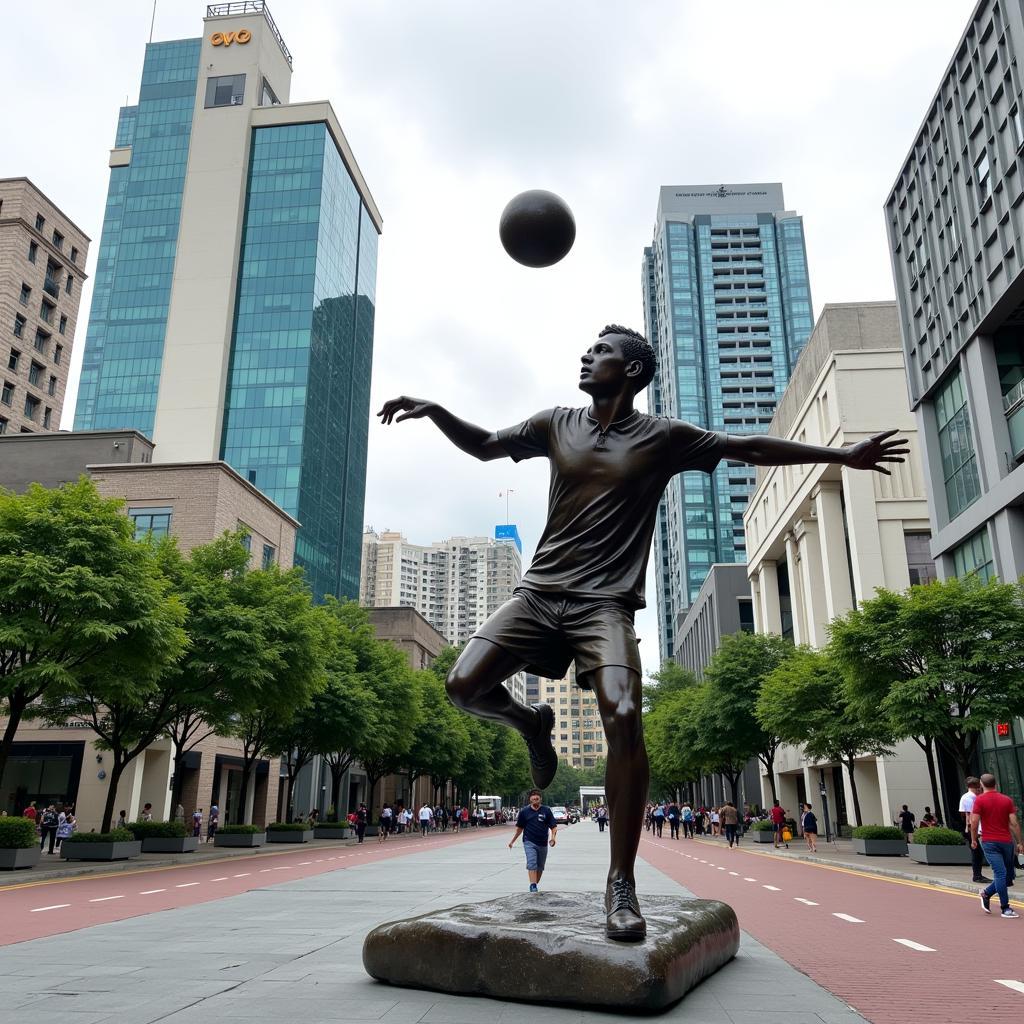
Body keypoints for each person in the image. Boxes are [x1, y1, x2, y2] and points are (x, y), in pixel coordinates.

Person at [379, 325, 905, 940]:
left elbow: (750, 448)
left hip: (604, 607)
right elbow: (486, 445)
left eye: (600, 352)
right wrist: (436, 410)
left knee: (626, 716)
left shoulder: (663, 438)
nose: (585, 355)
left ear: (630, 371)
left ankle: (620, 882)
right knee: (463, 686)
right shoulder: (556, 423)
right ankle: (531, 723)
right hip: (540, 593)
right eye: (587, 348)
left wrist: (841, 458)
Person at [970, 772, 1023, 919]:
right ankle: (1005, 908)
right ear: (996, 784)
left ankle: (986, 893)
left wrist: (973, 839)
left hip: (990, 841)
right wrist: (1019, 842)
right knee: (1001, 874)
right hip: (1006, 842)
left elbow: (974, 822)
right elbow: (1014, 823)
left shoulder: (979, 800)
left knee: (1007, 877)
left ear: (981, 784)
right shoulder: (1006, 800)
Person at [509, 789, 558, 892]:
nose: (535, 797)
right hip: (529, 841)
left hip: (543, 843)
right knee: (532, 863)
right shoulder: (524, 812)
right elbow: (519, 829)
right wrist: (512, 841)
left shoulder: (546, 811)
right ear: (530, 799)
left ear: (540, 798)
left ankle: (534, 884)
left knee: (540, 868)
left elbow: (553, 827)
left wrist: (553, 838)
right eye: (533, 796)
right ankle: (533, 886)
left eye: (537, 796)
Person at [959, 776, 991, 884]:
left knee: (977, 853)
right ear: (974, 786)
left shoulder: (970, 797)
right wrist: (974, 833)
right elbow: (970, 816)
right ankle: (977, 875)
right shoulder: (969, 798)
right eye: (978, 786)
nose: (980, 788)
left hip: (973, 829)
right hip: (973, 829)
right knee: (976, 853)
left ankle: (978, 875)